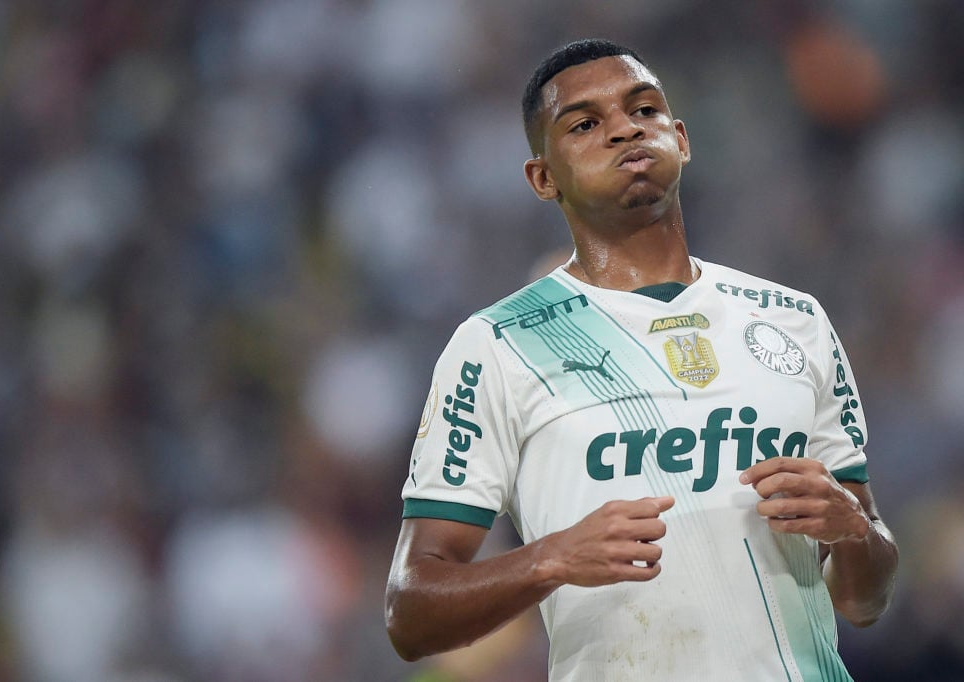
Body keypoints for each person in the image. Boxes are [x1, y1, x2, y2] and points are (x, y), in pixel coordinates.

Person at [385, 39, 898, 681]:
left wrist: (852, 529)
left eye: (644, 110)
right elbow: (409, 614)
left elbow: (863, 600)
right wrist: (551, 560)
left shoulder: (794, 319)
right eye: (584, 123)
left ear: (680, 139)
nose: (624, 127)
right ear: (543, 178)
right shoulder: (495, 346)